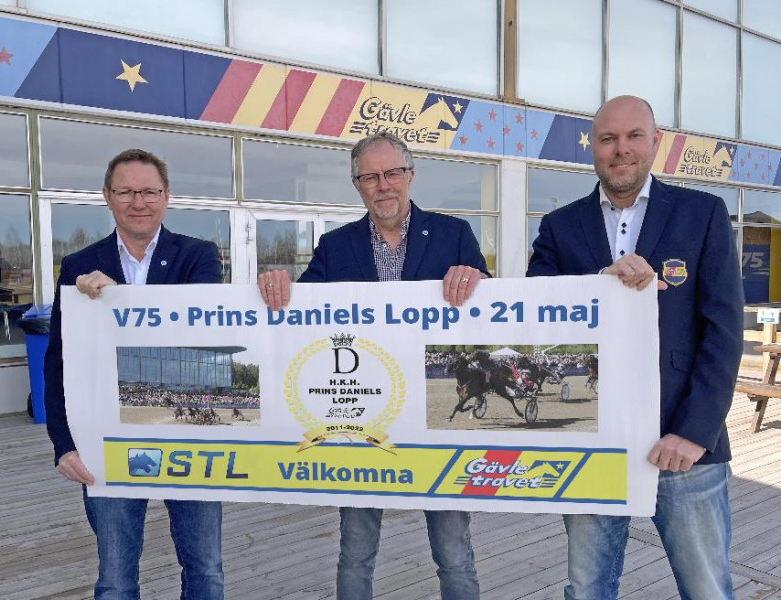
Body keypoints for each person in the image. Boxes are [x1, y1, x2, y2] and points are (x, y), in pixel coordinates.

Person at [527, 95, 743, 599]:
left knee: (707, 590)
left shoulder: (702, 213)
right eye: (608, 138)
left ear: (655, 142)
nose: (620, 149)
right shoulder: (560, 225)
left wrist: (694, 432)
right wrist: (599, 283)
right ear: (592, 147)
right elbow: (538, 312)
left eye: (633, 136)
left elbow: (723, 330)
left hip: (682, 446)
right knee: (588, 589)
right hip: (592, 443)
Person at [259, 132, 488, 600]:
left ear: (410, 176)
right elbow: (300, 313)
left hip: (432, 421)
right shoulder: (335, 245)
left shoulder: (454, 234)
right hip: (362, 415)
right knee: (356, 551)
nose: (383, 185)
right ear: (357, 185)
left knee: (453, 552)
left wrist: (478, 277)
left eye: (392, 173)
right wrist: (277, 284)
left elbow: (489, 310)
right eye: (370, 177)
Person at [43, 149, 225, 599]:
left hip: (189, 436)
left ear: (166, 196)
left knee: (205, 570)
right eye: (125, 191)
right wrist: (63, 444)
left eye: (149, 191)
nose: (138, 202)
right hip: (107, 440)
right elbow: (59, 361)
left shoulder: (199, 256)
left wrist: (119, 300)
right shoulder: (79, 266)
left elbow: (195, 337)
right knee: (115, 576)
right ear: (107, 196)